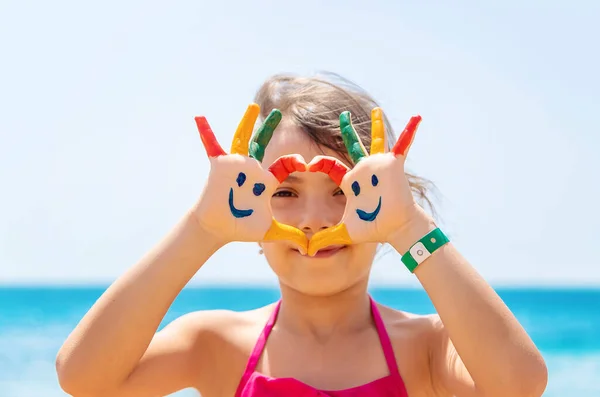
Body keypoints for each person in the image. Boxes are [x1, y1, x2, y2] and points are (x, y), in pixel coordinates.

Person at [55, 73, 548, 397]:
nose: (315, 219)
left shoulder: (427, 347)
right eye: (284, 193)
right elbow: (84, 379)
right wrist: (201, 230)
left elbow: (520, 384)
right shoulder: (215, 342)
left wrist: (411, 229)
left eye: (344, 191)